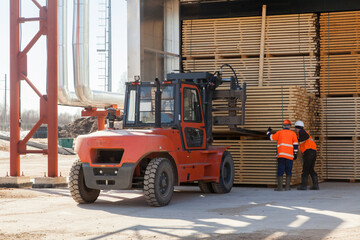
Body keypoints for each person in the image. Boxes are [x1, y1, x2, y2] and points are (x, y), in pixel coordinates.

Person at [267, 120, 299, 191]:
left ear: (283, 126)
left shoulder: (279, 133)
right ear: (290, 126)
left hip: (281, 156)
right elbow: (296, 145)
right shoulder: (293, 134)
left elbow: (270, 137)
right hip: (289, 156)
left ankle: (280, 187)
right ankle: (287, 187)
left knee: (280, 171)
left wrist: (268, 131)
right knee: (288, 171)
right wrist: (295, 153)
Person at [294, 121, 319, 190]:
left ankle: (303, 186)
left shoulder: (301, 132)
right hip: (313, 152)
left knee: (305, 168)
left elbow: (306, 136)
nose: (295, 130)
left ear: (298, 127)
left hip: (309, 152)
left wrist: (298, 140)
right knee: (311, 169)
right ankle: (315, 185)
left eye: (295, 128)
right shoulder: (303, 133)